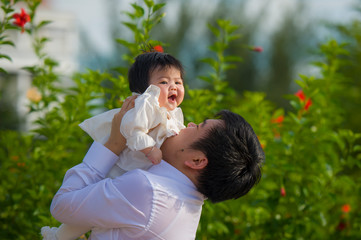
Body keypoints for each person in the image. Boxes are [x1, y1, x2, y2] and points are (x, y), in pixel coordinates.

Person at [47, 96, 265, 239]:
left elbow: (62, 205)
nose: (188, 125)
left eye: (198, 127)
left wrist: (114, 142)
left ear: (197, 161)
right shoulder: (184, 204)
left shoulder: (149, 191)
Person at [41, 51, 186, 240]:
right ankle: (58, 237)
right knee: (89, 213)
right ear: (145, 89)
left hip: (137, 180)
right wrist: (150, 149)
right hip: (122, 170)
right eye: (164, 82)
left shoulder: (171, 113)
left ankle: (60, 236)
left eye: (178, 82)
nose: (173, 87)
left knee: (95, 214)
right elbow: (133, 130)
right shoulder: (145, 105)